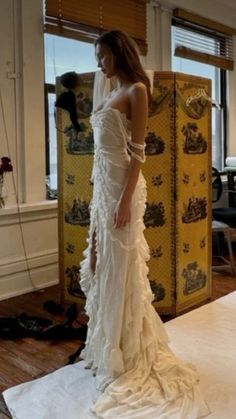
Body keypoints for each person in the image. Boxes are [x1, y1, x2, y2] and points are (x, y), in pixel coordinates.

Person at [80, 30, 209, 418]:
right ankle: (109, 344)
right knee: (102, 265)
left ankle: (127, 350)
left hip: (123, 190)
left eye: (103, 56)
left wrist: (122, 201)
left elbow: (138, 154)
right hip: (103, 190)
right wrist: (101, 199)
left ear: (119, 53)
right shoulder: (107, 93)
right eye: (97, 56)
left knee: (121, 265)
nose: (99, 63)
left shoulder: (137, 90)